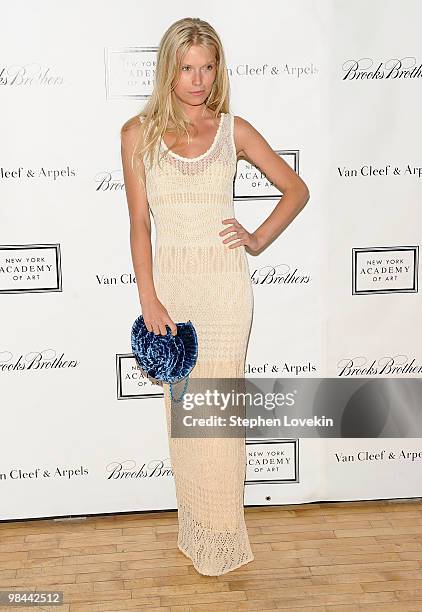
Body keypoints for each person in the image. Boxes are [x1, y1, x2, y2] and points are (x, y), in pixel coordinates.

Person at [121, 17, 309, 576]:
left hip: (225, 289)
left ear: (217, 69)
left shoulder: (235, 130)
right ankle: (196, 528)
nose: (198, 80)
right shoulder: (138, 134)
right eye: (186, 68)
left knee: (218, 415)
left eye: (207, 67)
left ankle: (224, 535)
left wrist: (255, 238)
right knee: (184, 411)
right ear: (168, 70)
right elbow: (138, 225)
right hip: (173, 288)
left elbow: (295, 189)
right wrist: (148, 299)